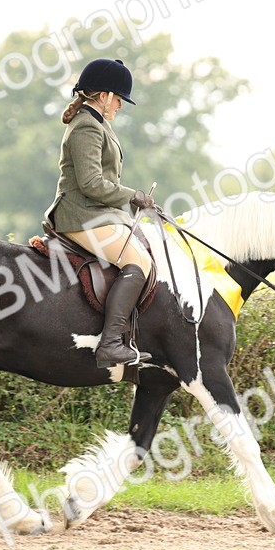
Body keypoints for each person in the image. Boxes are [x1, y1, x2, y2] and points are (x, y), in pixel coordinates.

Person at [44, 58, 156, 368]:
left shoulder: (98, 124)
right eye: (119, 98)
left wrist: (132, 201)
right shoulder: (85, 127)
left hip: (97, 213)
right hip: (79, 215)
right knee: (138, 261)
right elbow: (92, 183)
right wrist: (132, 195)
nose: (120, 105)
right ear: (104, 95)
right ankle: (109, 345)